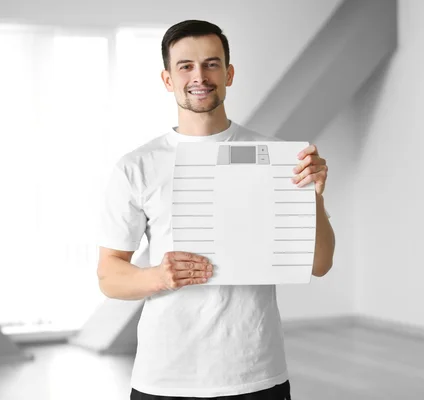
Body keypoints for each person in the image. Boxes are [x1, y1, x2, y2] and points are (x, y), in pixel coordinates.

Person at [97, 19, 335, 400]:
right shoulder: (136, 167)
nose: (199, 76)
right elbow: (109, 276)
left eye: (211, 63)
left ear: (229, 73)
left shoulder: (279, 159)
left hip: (257, 372)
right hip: (165, 376)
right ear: (167, 79)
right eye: (185, 66)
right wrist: (161, 276)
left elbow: (319, 263)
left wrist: (316, 197)